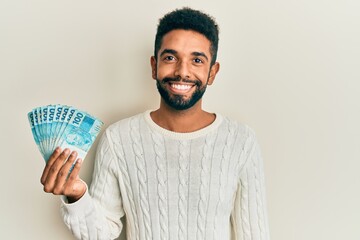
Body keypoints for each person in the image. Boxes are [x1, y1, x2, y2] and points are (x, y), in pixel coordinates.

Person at [40, 7, 270, 240]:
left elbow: (254, 234)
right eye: (170, 58)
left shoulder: (241, 141)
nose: (182, 72)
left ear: (212, 72)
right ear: (154, 66)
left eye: (197, 60)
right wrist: (77, 196)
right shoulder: (118, 138)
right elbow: (101, 233)